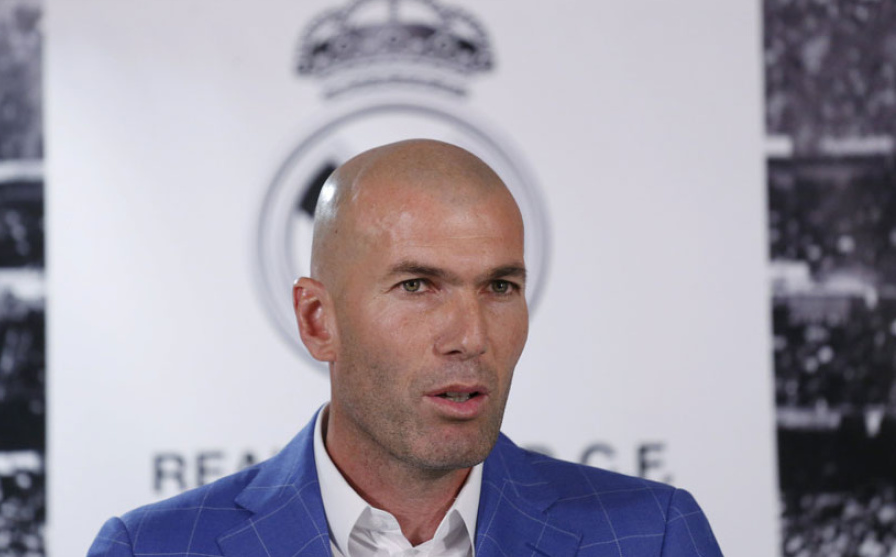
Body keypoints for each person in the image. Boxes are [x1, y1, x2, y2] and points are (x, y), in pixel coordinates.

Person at [88, 139, 723, 556]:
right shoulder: (153, 548)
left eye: (500, 287)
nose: (471, 337)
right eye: (417, 286)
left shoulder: (651, 536)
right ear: (317, 320)